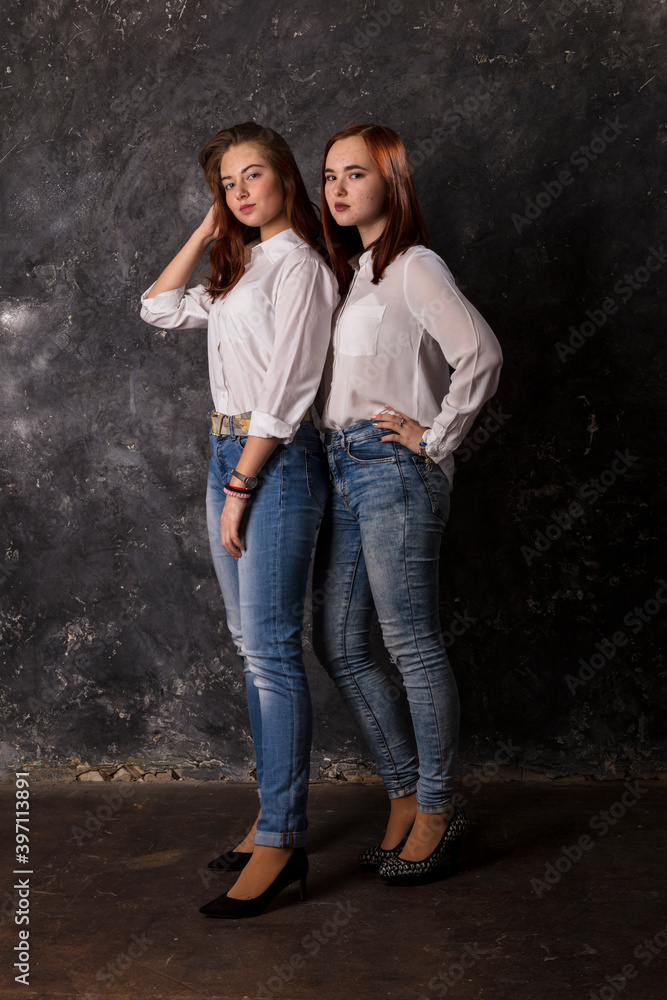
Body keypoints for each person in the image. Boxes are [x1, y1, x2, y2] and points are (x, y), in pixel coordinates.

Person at [140, 122, 337, 916]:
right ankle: (269, 821)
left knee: (273, 655)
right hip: (227, 456)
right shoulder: (240, 265)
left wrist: (244, 485)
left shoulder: (302, 269)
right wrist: (208, 228)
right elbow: (155, 308)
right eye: (228, 184)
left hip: (273, 464)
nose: (243, 191)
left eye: (254, 176)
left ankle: (283, 840)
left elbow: (288, 389)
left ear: (286, 178)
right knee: (250, 649)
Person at [312, 123, 503, 885]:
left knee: (411, 645)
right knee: (342, 644)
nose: (336, 188)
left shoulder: (414, 265)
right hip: (344, 467)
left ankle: (436, 805)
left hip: (394, 471)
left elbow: (479, 352)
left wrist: (435, 437)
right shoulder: (355, 273)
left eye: (354, 174)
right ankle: (402, 795)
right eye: (328, 175)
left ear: (391, 181)